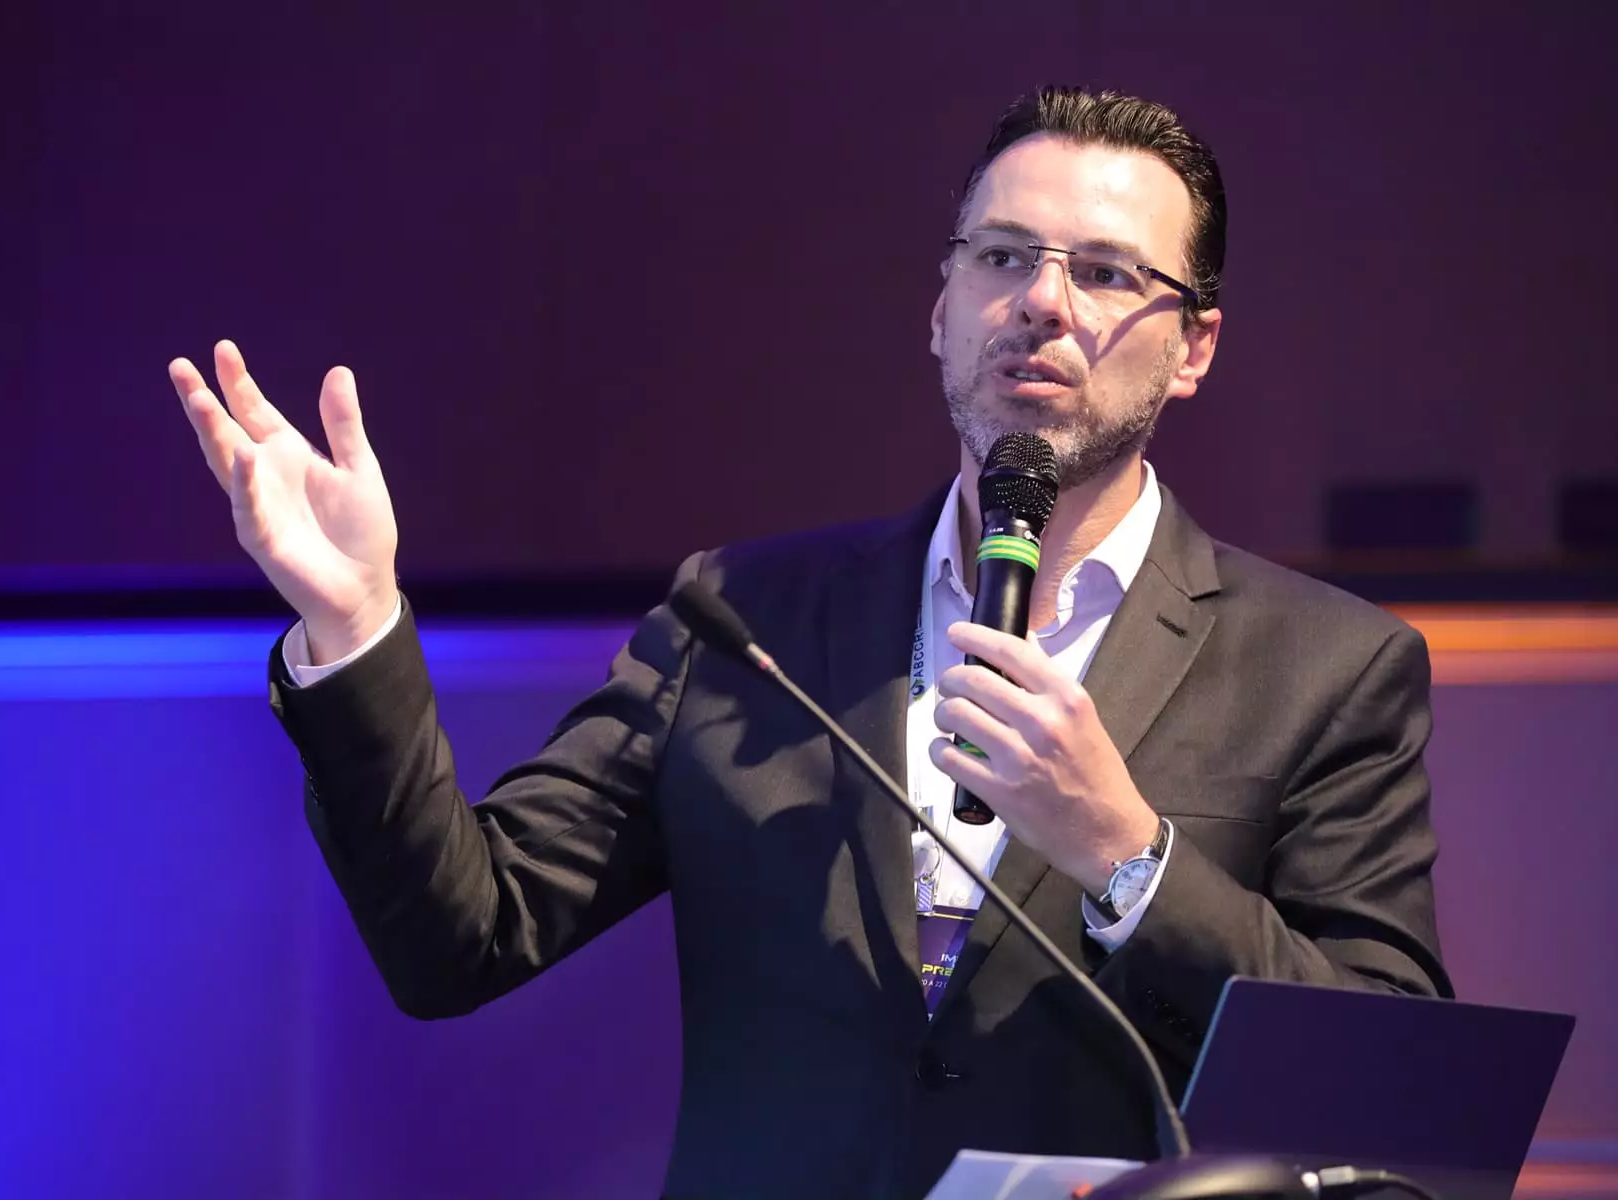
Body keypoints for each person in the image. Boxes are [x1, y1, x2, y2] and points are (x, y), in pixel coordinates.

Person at [169, 86, 1450, 1200]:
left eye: (1108, 273)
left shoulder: (1324, 669)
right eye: (1003, 256)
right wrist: (354, 625)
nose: (1042, 303)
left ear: (1194, 348)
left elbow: (1392, 1096)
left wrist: (1126, 859)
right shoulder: (744, 617)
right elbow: (461, 937)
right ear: (940, 307)